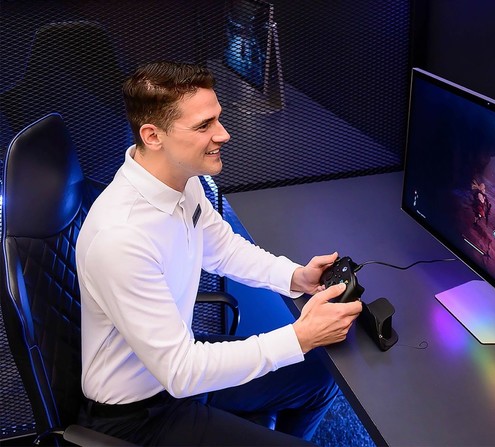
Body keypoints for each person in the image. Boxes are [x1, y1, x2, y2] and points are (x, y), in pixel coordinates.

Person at [75, 60, 363, 446]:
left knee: (318, 375)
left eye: (218, 118)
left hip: (179, 369)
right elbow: (181, 372)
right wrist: (299, 336)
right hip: (142, 413)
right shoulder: (121, 238)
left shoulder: (181, 179)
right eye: (204, 126)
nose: (223, 134)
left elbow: (223, 249)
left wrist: (294, 277)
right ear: (153, 136)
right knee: (301, 350)